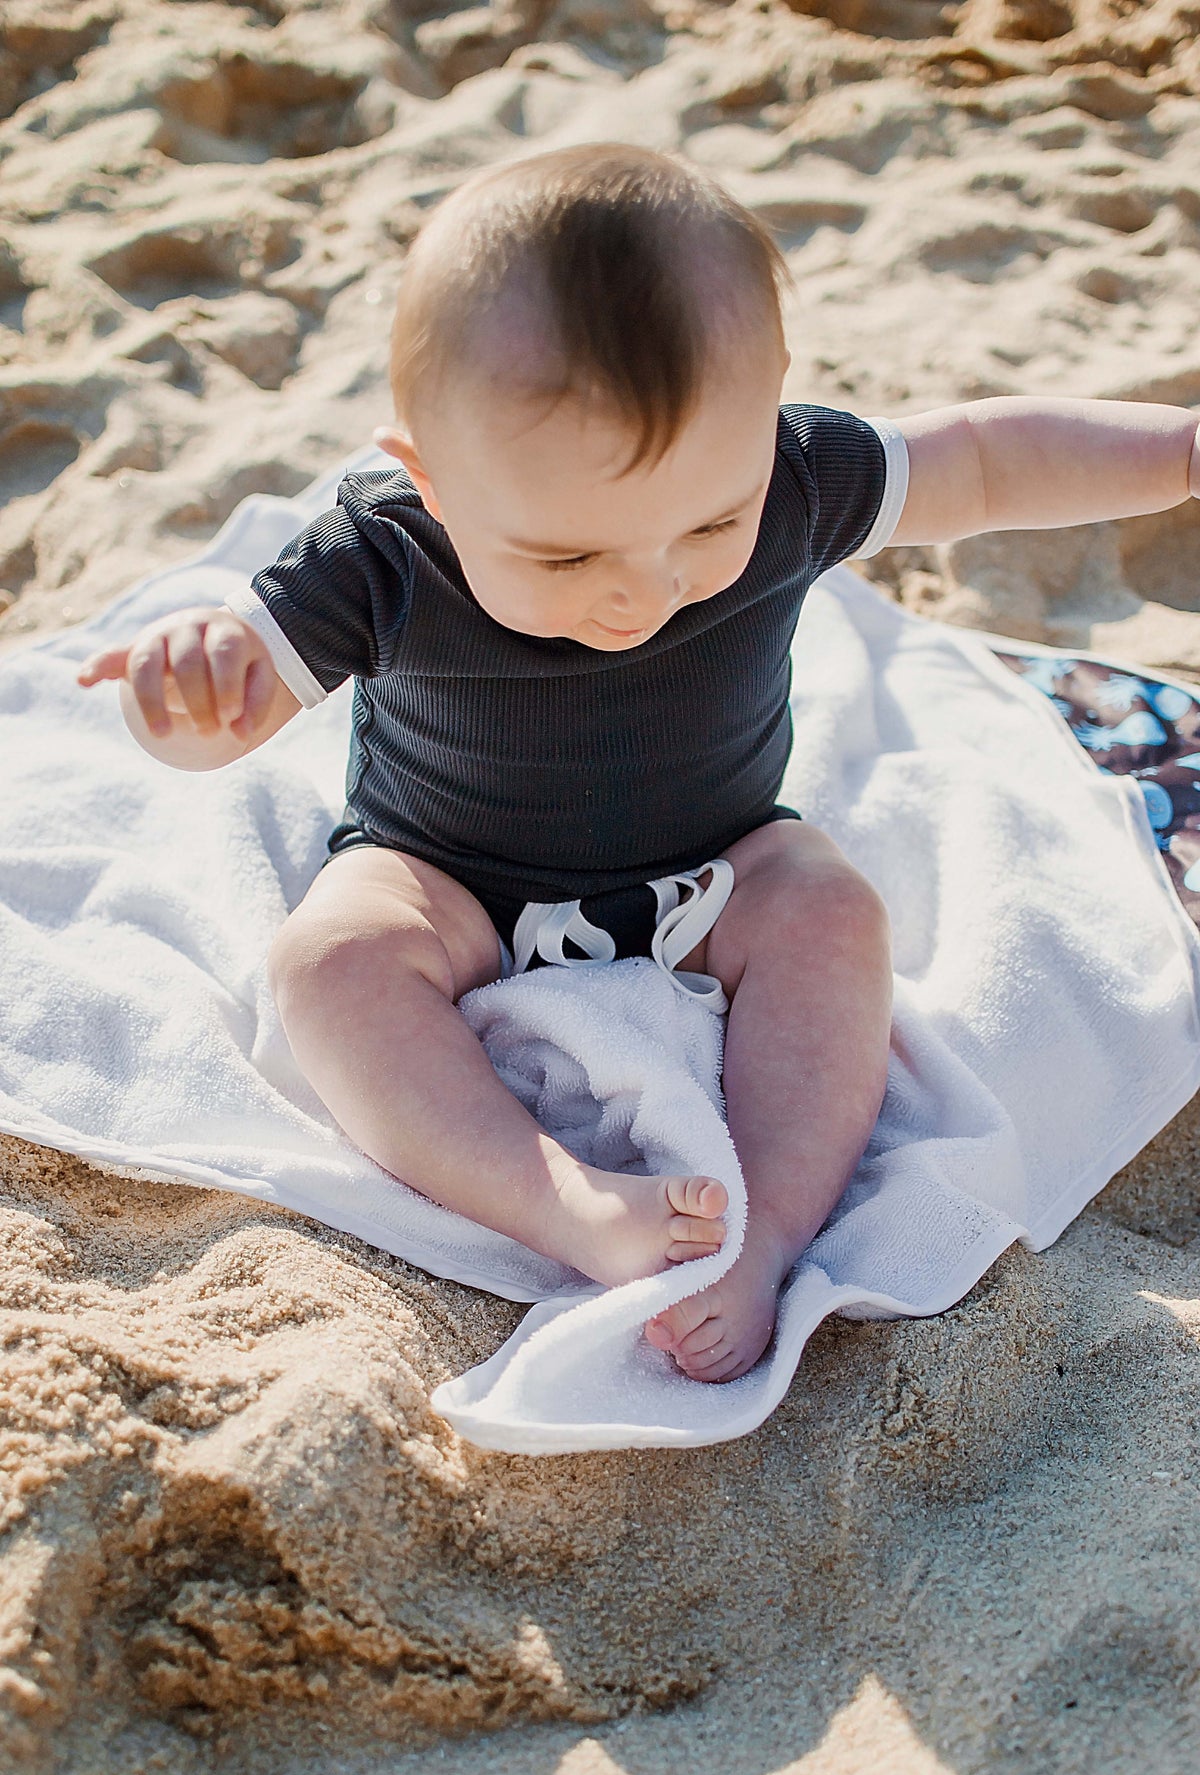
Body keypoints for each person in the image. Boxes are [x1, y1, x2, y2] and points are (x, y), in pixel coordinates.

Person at [78, 143, 1200, 1384]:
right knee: (329, 962)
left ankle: (766, 1230)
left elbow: (985, 458)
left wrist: (1182, 454)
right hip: (448, 875)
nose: (646, 590)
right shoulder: (383, 553)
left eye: (711, 524)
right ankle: (555, 1197)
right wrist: (179, 693)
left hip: (716, 857)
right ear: (431, 479)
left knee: (829, 910)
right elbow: (211, 729)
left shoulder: (793, 474)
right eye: (565, 558)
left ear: (770, 403)